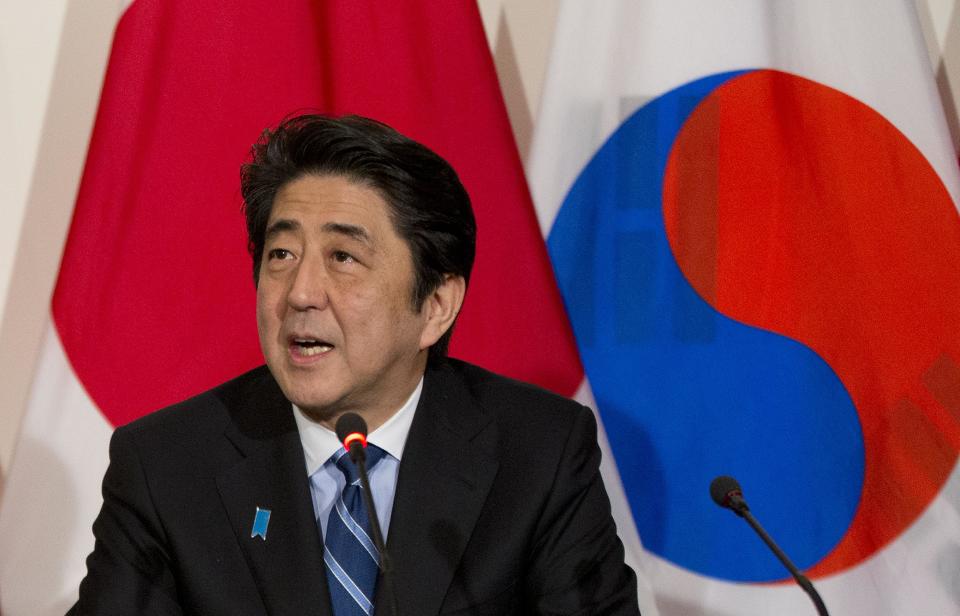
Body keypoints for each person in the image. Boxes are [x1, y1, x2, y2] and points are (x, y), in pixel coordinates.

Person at [71, 114, 641, 615]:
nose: (301, 293)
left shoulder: (537, 455)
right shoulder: (167, 467)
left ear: (435, 307)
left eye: (343, 257)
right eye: (281, 255)